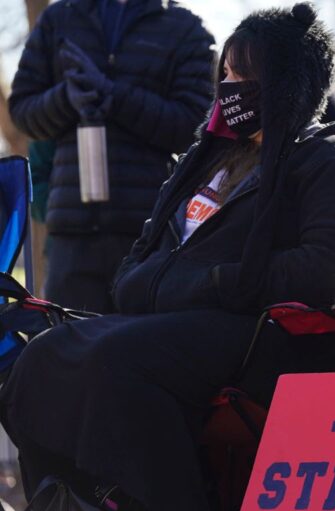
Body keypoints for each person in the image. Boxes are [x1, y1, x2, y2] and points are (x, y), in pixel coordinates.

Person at [0, 4, 335, 511]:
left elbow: (327, 269)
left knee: (122, 358)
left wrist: (211, 282)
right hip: (175, 321)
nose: (229, 89)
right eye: (225, 77)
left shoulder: (333, 160)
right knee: (44, 355)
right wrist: (160, 284)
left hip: (259, 332)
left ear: (288, 82)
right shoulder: (210, 160)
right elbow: (139, 263)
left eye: (244, 78)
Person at [8, 0, 215, 313]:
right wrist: (65, 98)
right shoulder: (59, 18)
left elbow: (196, 127)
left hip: (149, 235)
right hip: (71, 234)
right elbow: (23, 112)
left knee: (140, 352)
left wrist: (115, 96)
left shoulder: (184, 28)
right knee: (68, 350)